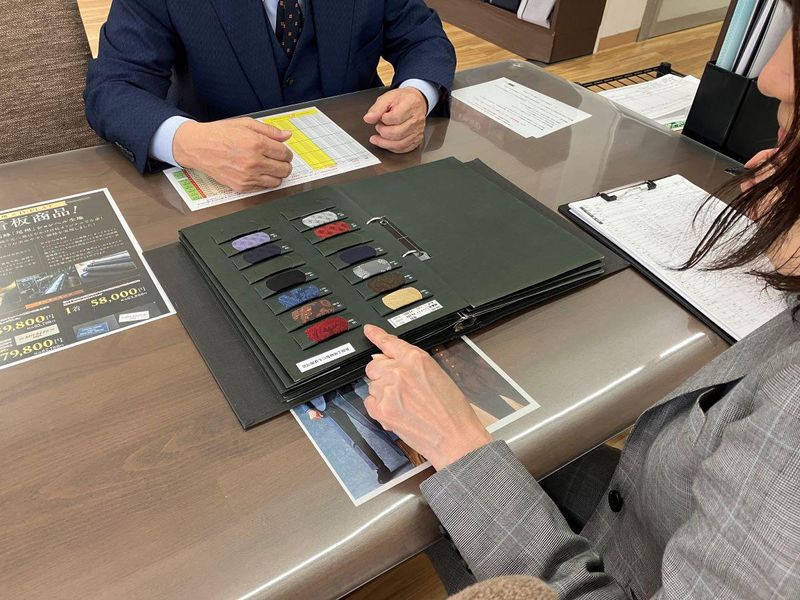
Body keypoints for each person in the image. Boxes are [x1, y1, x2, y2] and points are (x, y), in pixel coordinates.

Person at [360, 7, 800, 598]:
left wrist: (458, 445)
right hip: (648, 513)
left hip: (622, 563)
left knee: (435, 467)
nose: (769, 77)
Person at [84, 0, 456, 191]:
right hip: (227, 189)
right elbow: (114, 86)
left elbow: (422, 37)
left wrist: (417, 93)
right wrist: (186, 141)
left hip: (365, 170)